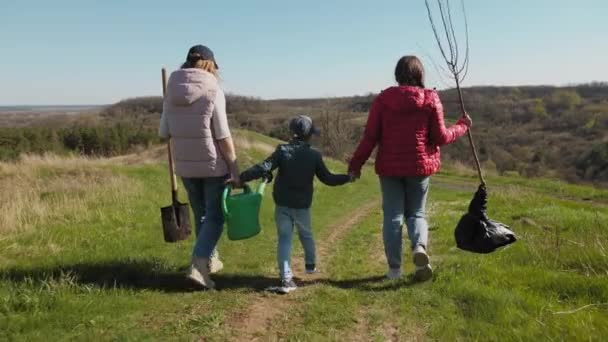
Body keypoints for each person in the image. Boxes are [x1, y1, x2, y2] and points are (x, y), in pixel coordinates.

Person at [348, 56, 472, 282]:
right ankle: (419, 248)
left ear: (397, 75)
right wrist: (462, 127)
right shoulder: (430, 99)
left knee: (393, 216)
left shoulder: (383, 100)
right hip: (419, 166)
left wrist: (355, 165)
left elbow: (370, 138)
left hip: (390, 167)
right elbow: (441, 137)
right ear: (420, 74)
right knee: (416, 213)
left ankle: (394, 270)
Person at [240, 115, 353, 294]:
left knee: (284, 239)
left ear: (292, 133)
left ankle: (286, 278)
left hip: (282, 204)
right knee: (306, 235)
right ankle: (310, 266)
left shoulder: (282, 150)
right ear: (309, 135)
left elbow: (263, 167)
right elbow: (328, 179)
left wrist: (240, 178)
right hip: (302, 206)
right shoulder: (314, 155)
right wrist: (348, 177)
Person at [159, 45, 241, 289]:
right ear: (210, 65)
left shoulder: (170, 91)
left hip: (185, 167)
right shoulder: (214, 91)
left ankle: (210, 259)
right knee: (215, 218)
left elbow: (164, 132)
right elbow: (223, 135)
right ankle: (198, 264)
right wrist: (234, 167)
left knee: (201, 214)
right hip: (213, 166)